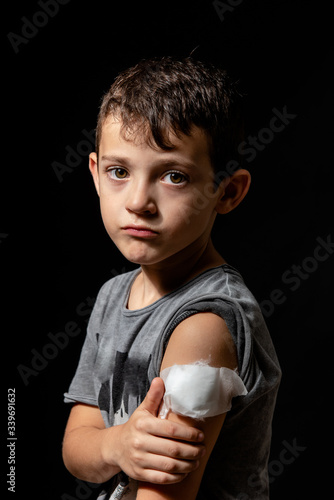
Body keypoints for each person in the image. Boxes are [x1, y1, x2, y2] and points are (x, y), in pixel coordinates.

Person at [62, 56, 281, 500]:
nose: (139, 201)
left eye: (173, 176)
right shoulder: (112, 296)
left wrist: (112, 450)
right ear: (95, 175)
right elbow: (76, 447)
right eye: (119, 171)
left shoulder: (206, 326)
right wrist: (117, 445)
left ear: (228, 191)